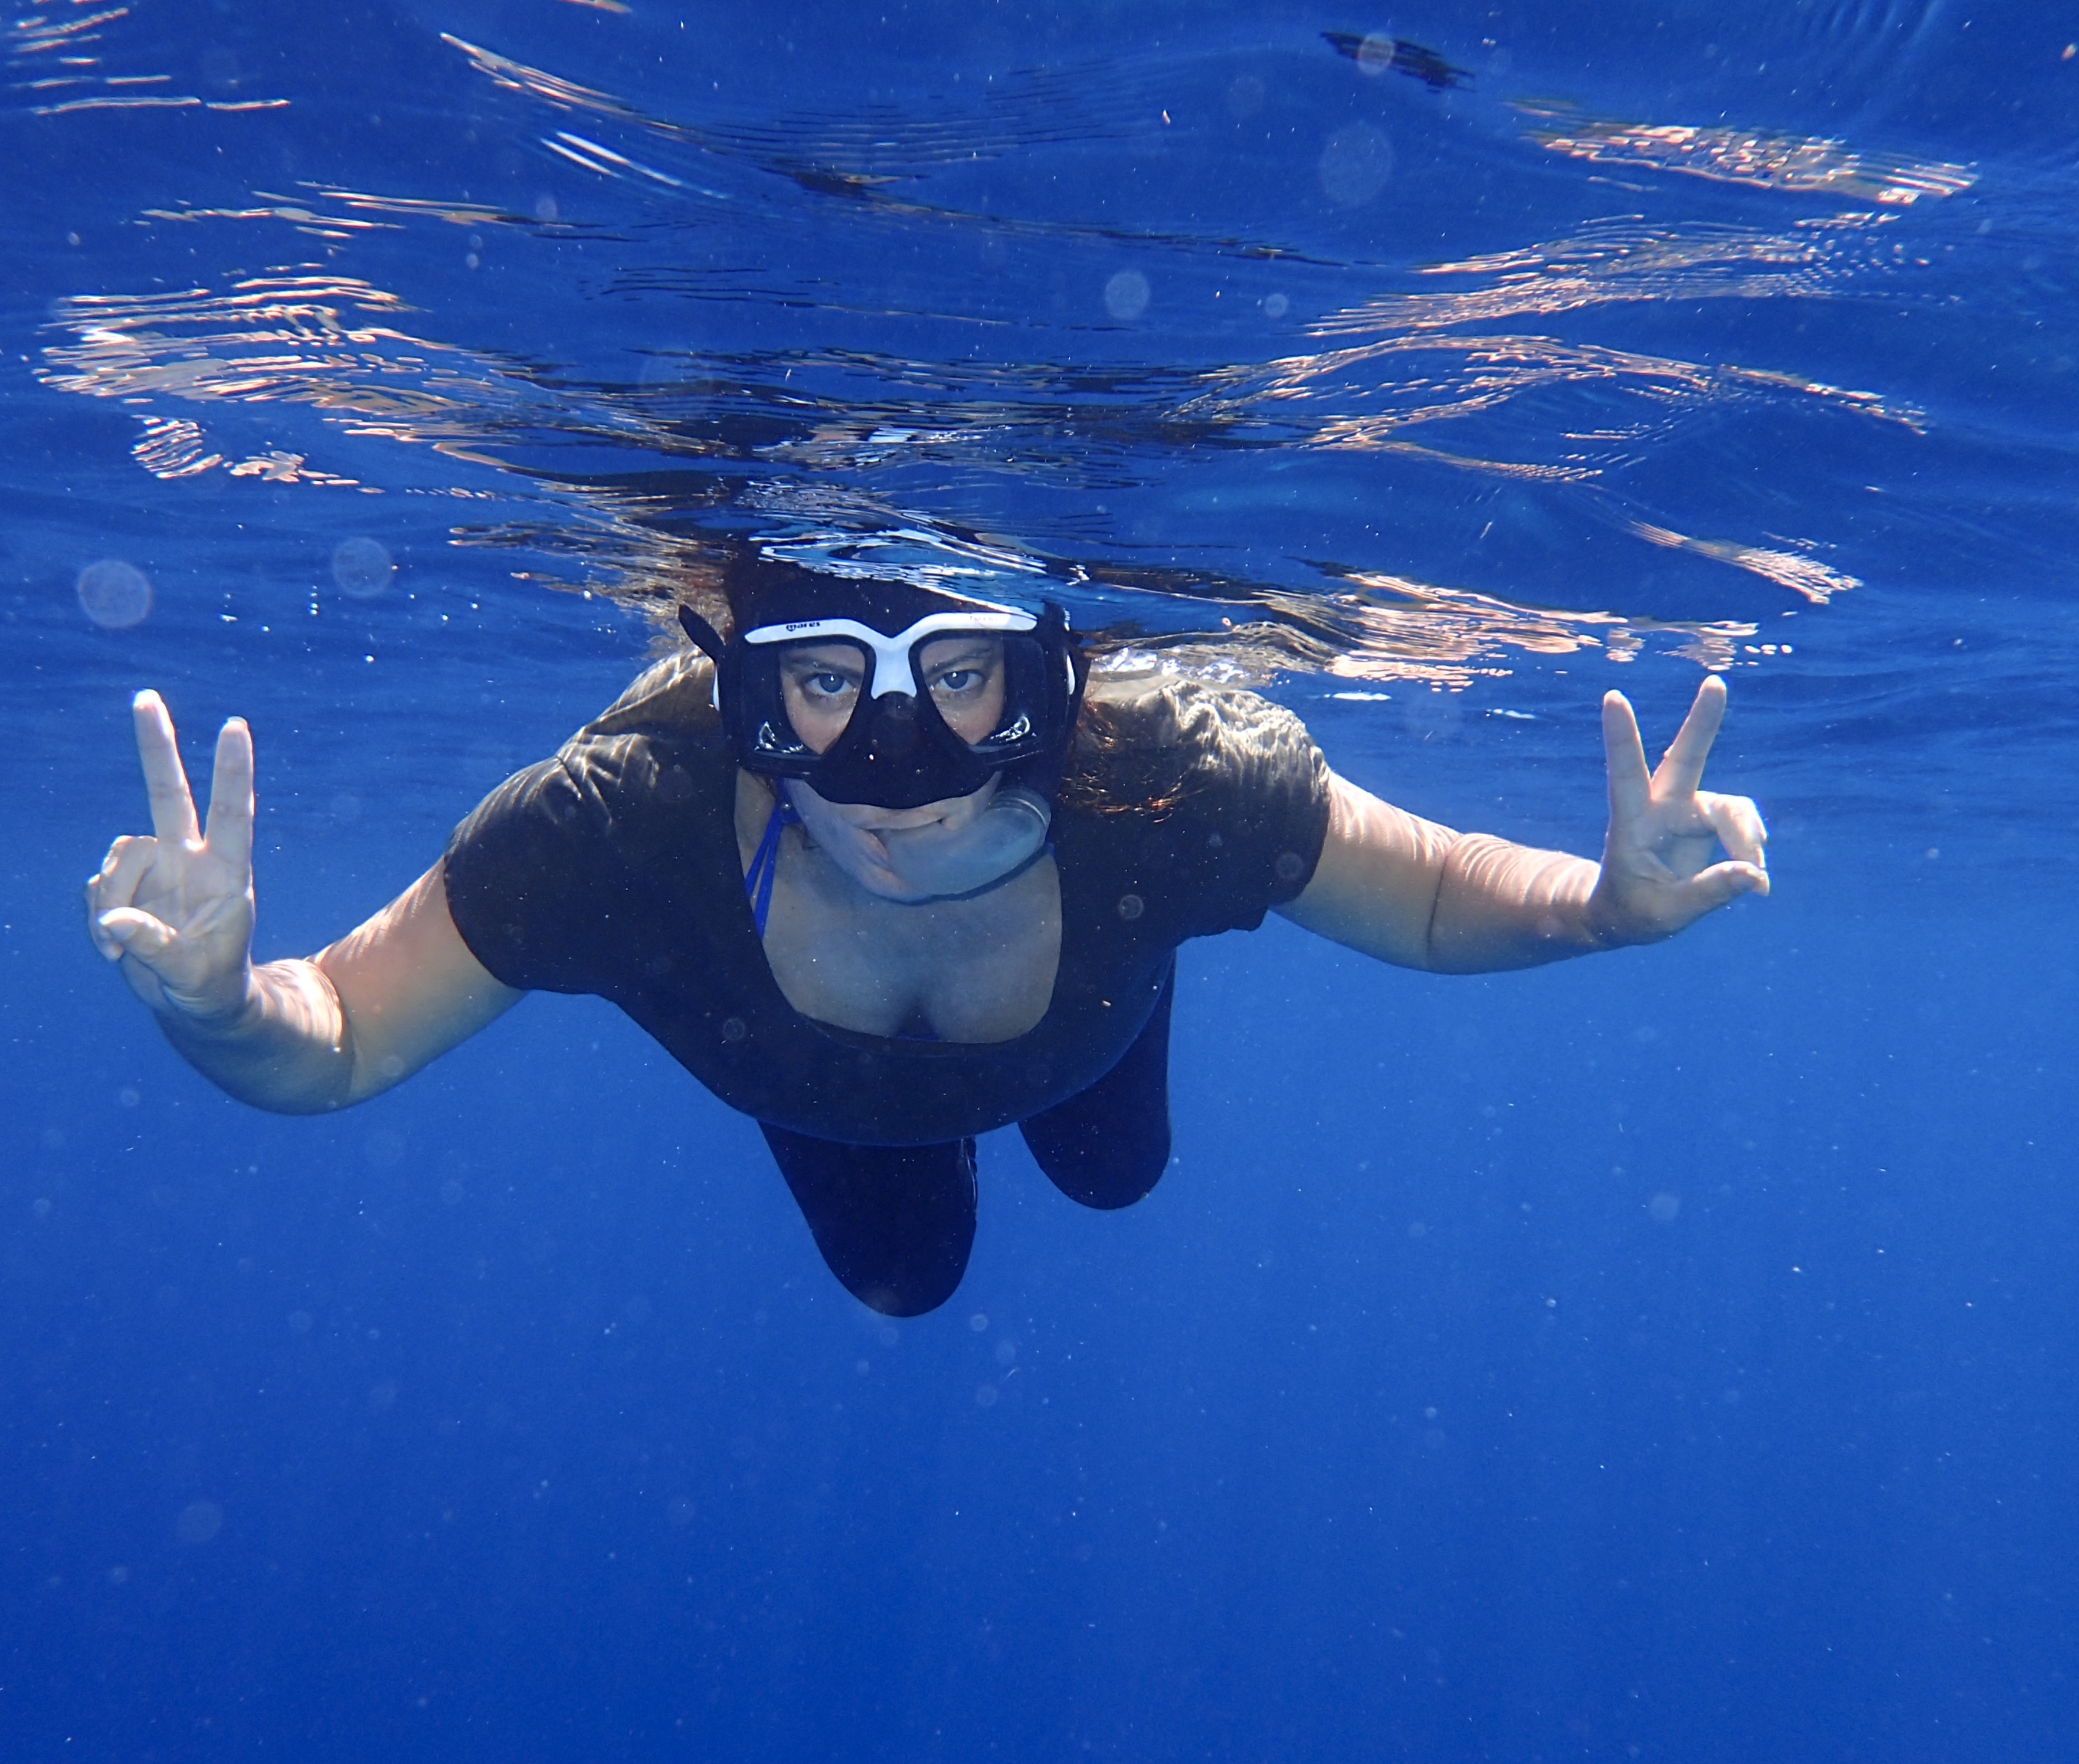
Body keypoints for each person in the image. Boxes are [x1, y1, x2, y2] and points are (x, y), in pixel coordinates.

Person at [84, 535, 1768, 1316]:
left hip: (1087, 996)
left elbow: (1428, 888)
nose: (895, 767)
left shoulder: (1169, 781)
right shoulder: (618, 831)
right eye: (820, 687)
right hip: (825, 1089)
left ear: (1050, 683)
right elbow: (339, 1039)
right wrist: (220, 1005)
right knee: (905, 1276)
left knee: (1114, 1171)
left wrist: (1602, 906)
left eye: (965, 680)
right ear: (742, 693)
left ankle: (1129, 983)